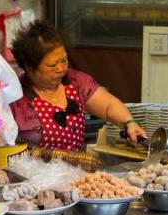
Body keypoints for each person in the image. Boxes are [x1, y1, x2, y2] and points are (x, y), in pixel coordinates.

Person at [9, 21, 147, 151]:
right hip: (33, 174)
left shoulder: (76, 82)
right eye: (52, 65)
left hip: (77, 172)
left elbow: (109, 105)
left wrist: (129, 123)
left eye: (64, 60)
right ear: (29, 67)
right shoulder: (14, 96)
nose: (61, 68)